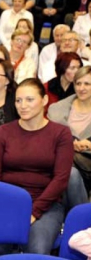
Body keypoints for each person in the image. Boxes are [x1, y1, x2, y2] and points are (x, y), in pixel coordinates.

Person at [0, 78, 74, 255]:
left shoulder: (61, 133)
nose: (22, 105)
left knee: (37, 250)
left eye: (29, 99)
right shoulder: (3, 132)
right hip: (7, 204)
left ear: (44, 100)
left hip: (45, 204)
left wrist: (34, 212)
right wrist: (10, 210)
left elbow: (61, 179)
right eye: (18, 100)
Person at [49, 65, 91, 194]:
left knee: (68, 171)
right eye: (78, 83)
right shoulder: (56, 109)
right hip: (64, 160)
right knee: (69, 172)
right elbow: (50, 139)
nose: (81, 88)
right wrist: (70, 144)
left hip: (87, 163)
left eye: (87, 84)